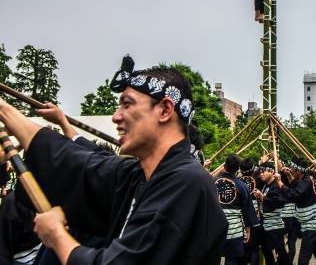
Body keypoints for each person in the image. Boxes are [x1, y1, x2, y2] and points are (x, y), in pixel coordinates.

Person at [0, 57, 228, 265]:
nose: (116, 117)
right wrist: (6, 111)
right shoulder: (140, 175)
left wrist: (57, 236)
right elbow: (79, 164)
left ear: (165, 110)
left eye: (127, 104)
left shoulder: (187, 183)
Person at [279, 158, 316, 265]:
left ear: (298, 171)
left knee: (303, 261)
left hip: (312, 227)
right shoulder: (307, 179)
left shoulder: (307, 181)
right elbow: (297, 185)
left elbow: (294, 194)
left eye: (292, 169)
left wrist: (279, 183)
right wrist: (288, 175)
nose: (290, 170)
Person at [215, 154, 258, 265]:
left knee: (214, 257)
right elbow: (247, 209)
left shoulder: (212, 182)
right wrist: (248, 229)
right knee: (232, 259)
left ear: (224, 166)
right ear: (238, 168)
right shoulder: (241, 185)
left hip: (215, 227)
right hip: (234, 228)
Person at [254, 162, 290, 265]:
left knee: (281, 252)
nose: (261, 174)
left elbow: (277, 202)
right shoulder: (265, 185)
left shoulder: (276, 185)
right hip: (266, 224)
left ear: (271, 171)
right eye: (260, 172)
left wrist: (262, 197)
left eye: (263, 171)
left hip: (275, 225)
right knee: (266, 250)